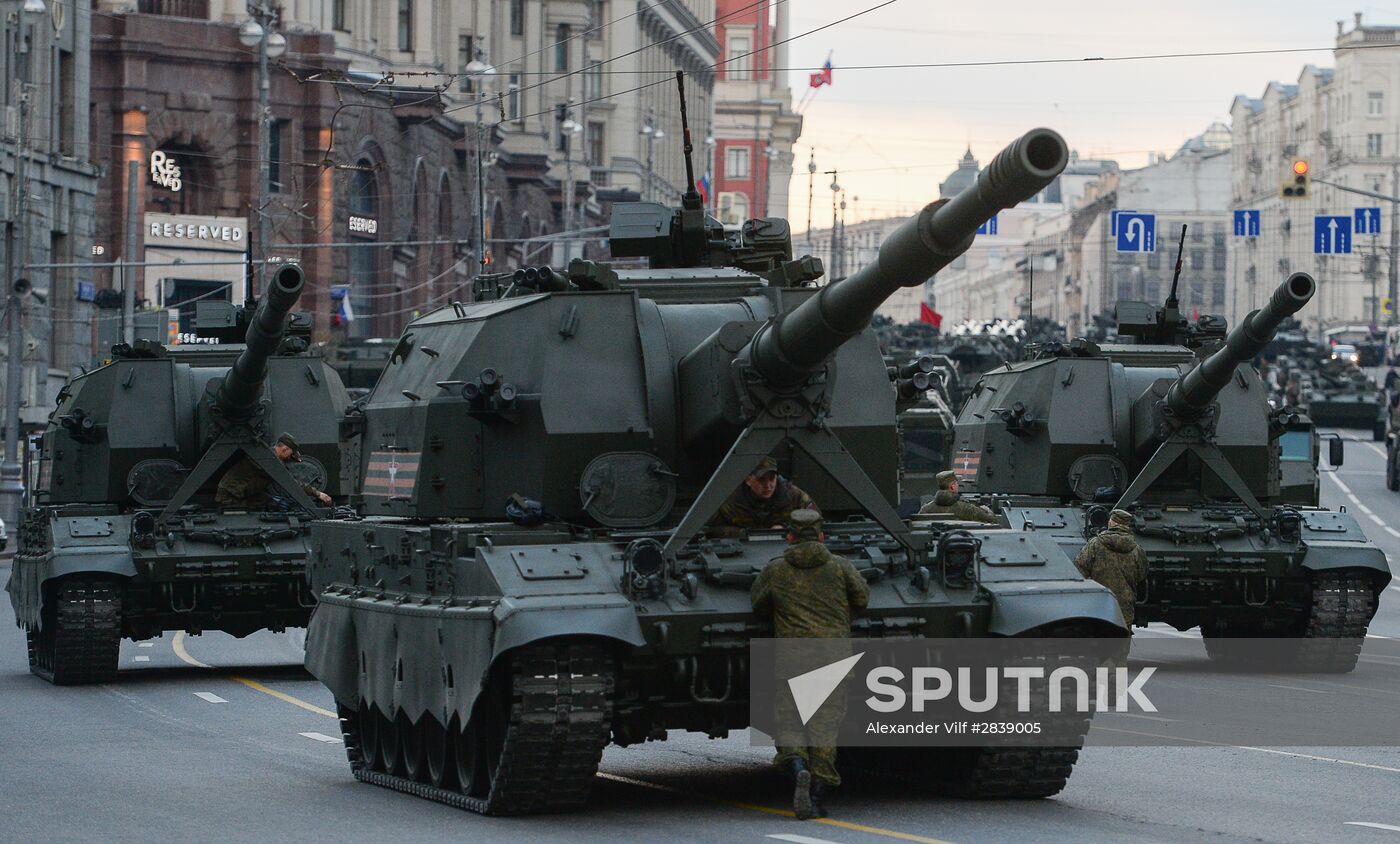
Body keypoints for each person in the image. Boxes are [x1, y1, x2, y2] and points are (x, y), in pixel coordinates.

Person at [752, 509, 869, 820]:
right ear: (821, 536)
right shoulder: (840, 567)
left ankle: (797, 767)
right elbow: (862, 599)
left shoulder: (776, 570)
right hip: (834, 659)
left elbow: (758, 604)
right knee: (825, 730)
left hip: (792, 660)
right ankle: (817, 796)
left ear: (789, 536)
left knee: (790, 724)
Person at [1073, 508, 1149, 630]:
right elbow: (1142, 574)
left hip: (1098, 604)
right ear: (1126, 525)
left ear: (1111, 523)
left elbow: (1080, 568)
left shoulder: (1095, 544)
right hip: (1124, 605)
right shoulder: (1137, 549)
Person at [216, 433, 333, 509]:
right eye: (291, 454)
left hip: (240, 493)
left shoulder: (269, 455)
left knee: (272, 502)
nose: (289, 458)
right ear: (285, 449)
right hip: (230, 497)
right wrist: (318, 494)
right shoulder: (269, 459)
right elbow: (291, 483)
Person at [710, 456, 816, 535]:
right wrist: (740, 533)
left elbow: (816, 520)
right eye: (761, 480)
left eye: (772, 479)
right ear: (748, 480)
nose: (768, 485)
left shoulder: (793, 495)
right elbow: (706, 528)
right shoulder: (729, 498)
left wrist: (785, 528)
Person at [918, 470, 999, 523]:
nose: (958, 485)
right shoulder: (965, 508)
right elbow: (992, 521)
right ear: (952, 486)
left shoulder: (926, 509)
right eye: (956, 483)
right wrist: (988, 511)